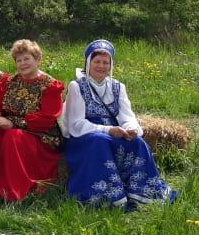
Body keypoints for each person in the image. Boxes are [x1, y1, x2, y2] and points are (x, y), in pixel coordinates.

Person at [64, 40, 176, 208]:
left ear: (111, 65)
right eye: (97, 62)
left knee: (138, 142)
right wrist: (108, 130)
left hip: (114, 131)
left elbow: (127, 115)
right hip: (87, 136)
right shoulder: (77, 86)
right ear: (88, 63)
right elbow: (76, 124)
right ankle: (108, 196)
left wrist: (131, 129)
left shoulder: (117, 86)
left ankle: (142, 192)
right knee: (99, 142)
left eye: (105, 62)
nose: (101, 66)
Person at [0, 40, 65, 202]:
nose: (22, 63)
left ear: (37, 60)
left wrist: (13, 123)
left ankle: (13, 191)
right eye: (19, 60)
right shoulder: (9, 82)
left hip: (40, 134)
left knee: (13, 136)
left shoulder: (50, 85)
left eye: (26, 59)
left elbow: (48, 117)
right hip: (10, 126)